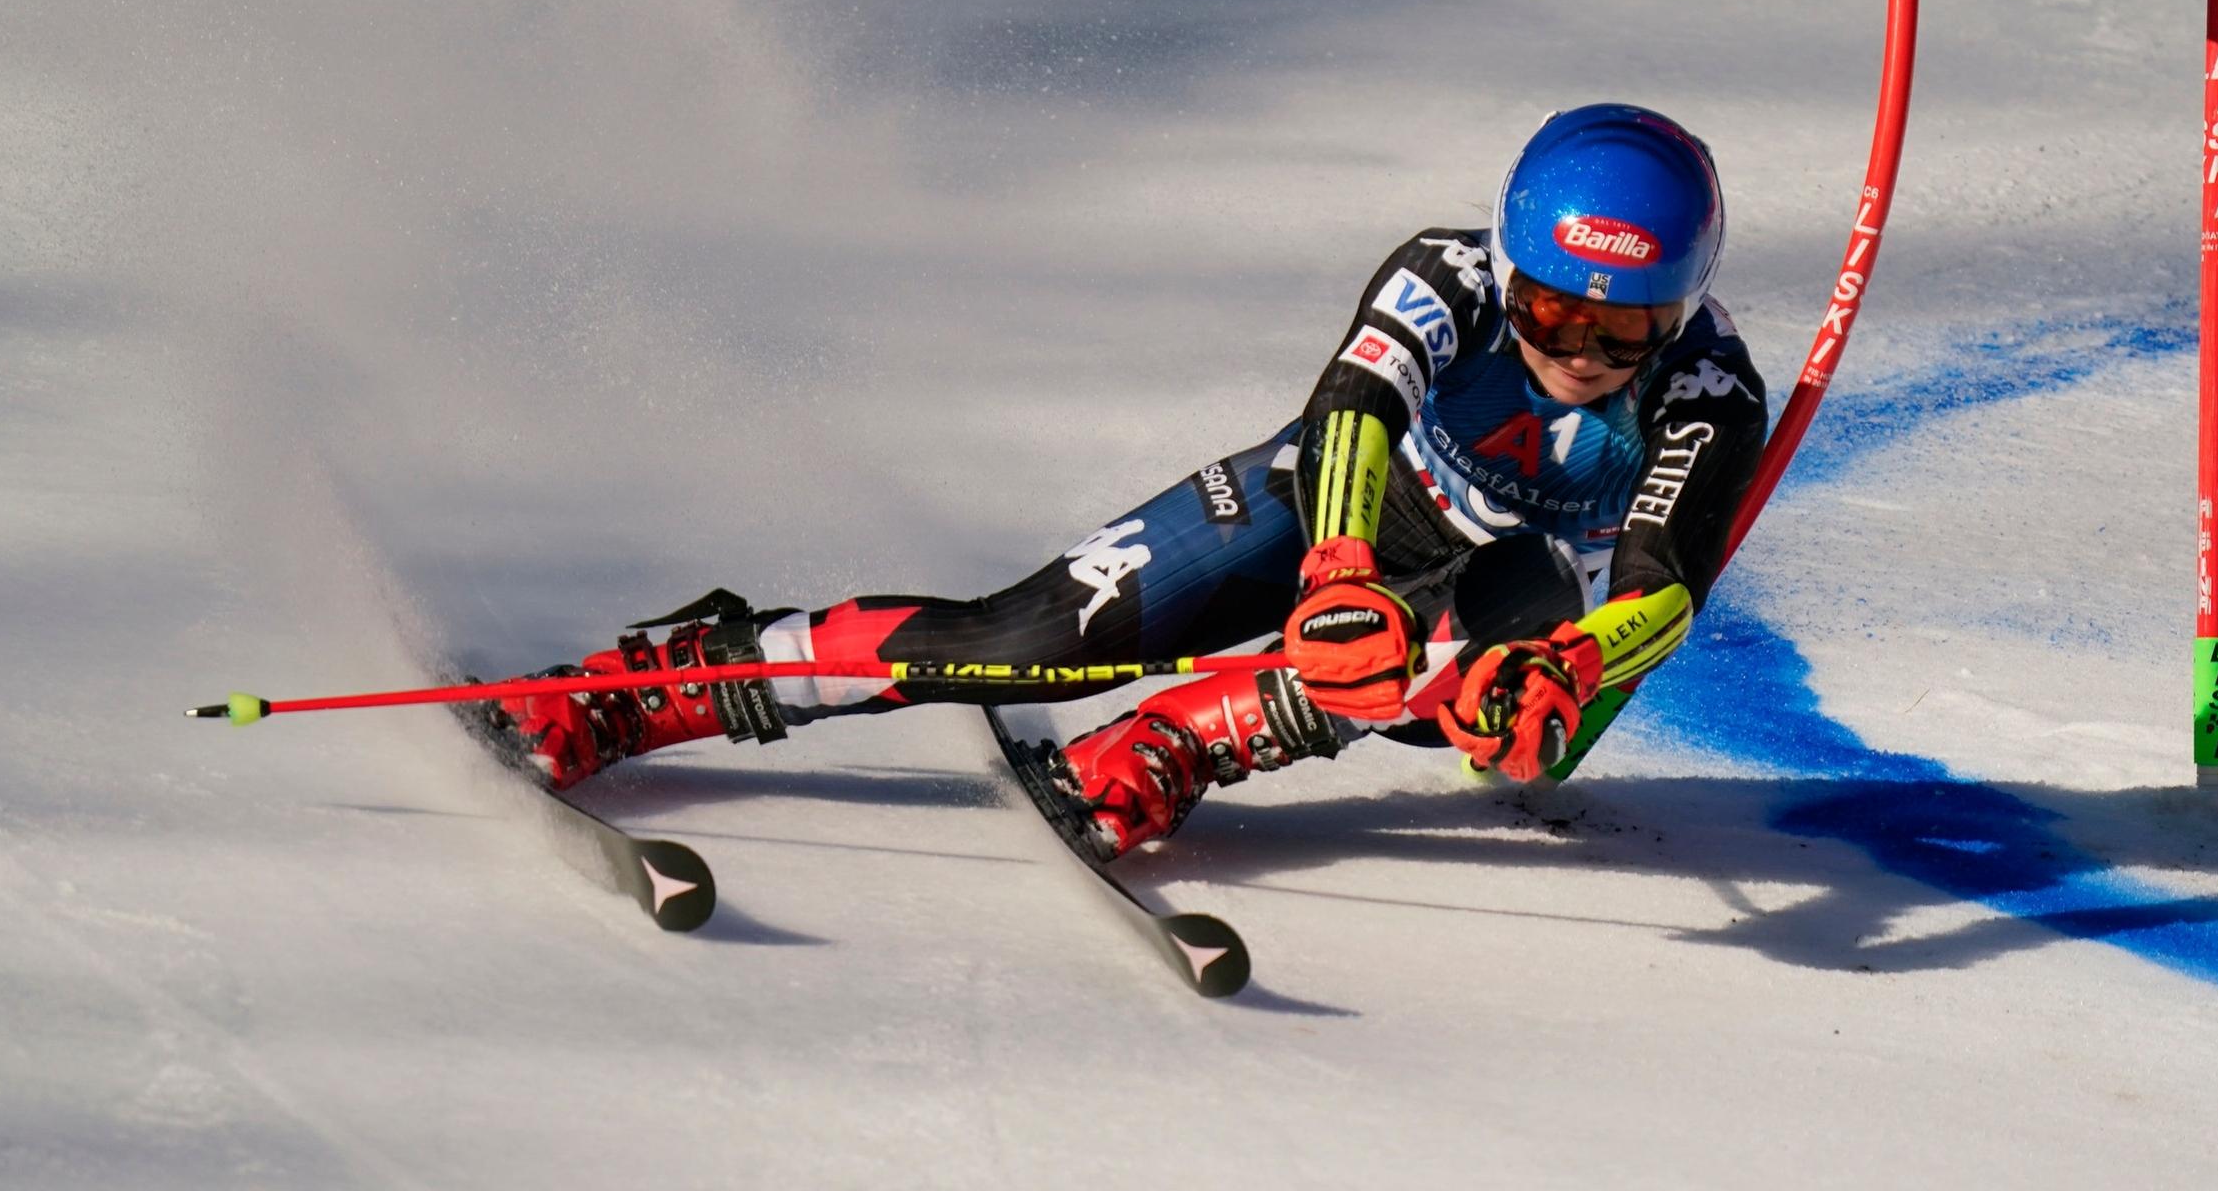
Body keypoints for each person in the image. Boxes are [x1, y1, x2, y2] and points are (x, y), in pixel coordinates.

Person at [493, 104, 1769, 859]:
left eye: (1626, 328)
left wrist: (1580, 666)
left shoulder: (1708, 390)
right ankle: (665, 685)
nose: (1578, 348)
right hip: (1314, 510)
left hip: (1491, 618)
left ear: (1686, 307)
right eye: (1550, 305)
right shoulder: (1442, 274)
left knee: (1525, 608)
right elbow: (1352, 412)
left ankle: (1181, 738)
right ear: (1508, 261)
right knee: (1023, 642)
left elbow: (1660, 584)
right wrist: (1333, 573)